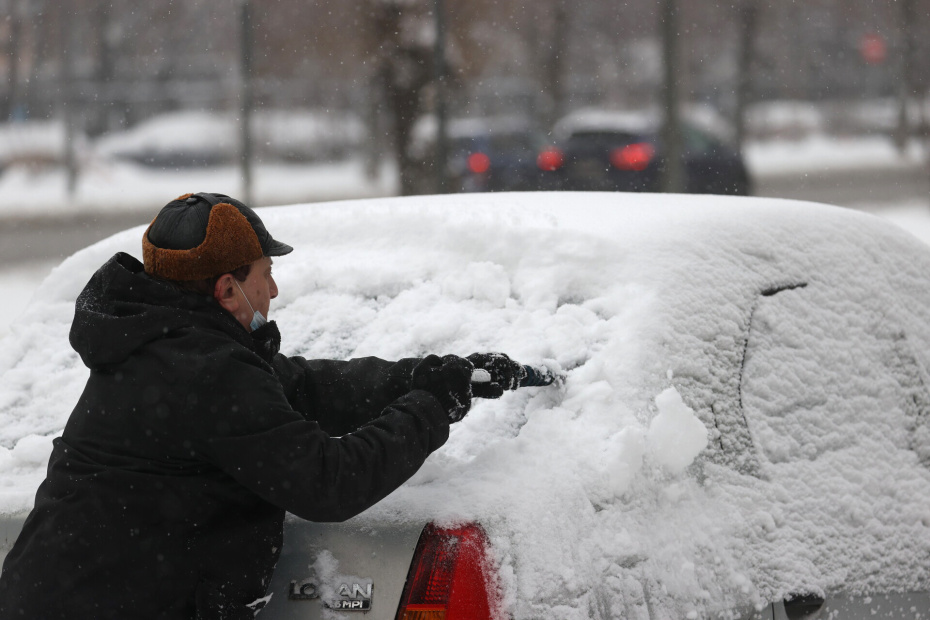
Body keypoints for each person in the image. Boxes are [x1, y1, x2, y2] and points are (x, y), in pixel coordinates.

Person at [0, 192, 527, 620]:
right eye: (265, 273)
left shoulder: (155, 344)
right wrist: (431, 408)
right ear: (228, 289)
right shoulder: (207, 371)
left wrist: (423, 374)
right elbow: (328, 482)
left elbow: (304, 386)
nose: (273, 288)